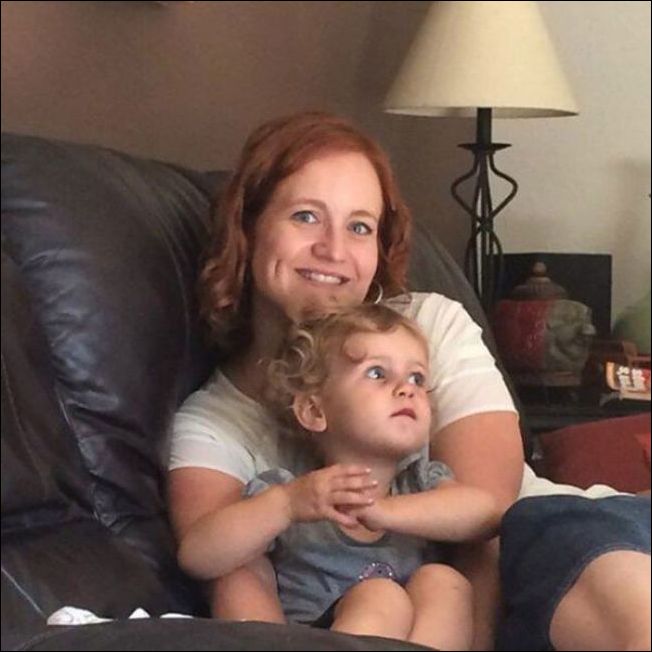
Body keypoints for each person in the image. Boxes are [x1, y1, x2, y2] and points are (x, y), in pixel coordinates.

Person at [168, 111, 650, 651]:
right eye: (306, 216)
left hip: (552, 542)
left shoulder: (427, 325)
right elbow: (224, 568)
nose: (333, 250)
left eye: (359, 227)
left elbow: (489, 516)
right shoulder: (215, 426)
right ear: (247, 228)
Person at [179, 302, 500, 649]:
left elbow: (486, 516)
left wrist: (385, 511)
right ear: (314, 410)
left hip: (410, 633)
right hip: (318, 638)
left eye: (417, 378)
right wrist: (286, 505)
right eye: (377, 373)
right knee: (381, 596)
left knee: (445, 582)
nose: (406, 389)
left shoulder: (418, 482)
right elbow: (198, 557)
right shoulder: (292, 491)